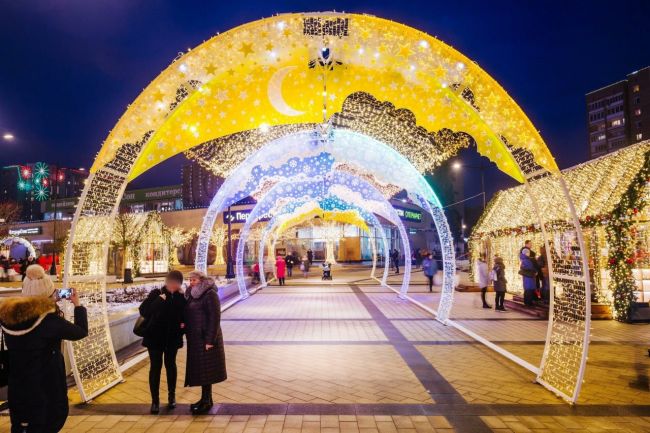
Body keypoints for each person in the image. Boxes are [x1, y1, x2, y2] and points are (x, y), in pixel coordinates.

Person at [0, 288, 87, 432]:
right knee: (47, 421)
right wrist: (77, 305)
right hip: (46, 385)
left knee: (22, 423)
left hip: (18, 385)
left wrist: (46, 301)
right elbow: (80, 331)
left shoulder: (8, 317)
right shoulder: (49, 321)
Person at [138, 270, 187, 414]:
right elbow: (144, 311)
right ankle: (155, 401)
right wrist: (159, 300)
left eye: (176, 283)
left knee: (171, 366)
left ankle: (172, 397)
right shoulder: (156, 293)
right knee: (155, 368)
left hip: (172, 339)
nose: (173, 285)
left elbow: (186, 317)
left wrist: (183, 327)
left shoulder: (181, 297)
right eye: (171, 282)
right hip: (154, 338)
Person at [184, 270, 226, 414]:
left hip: (206, 339)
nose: (191, 282)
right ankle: (204, 399)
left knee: (207, 371)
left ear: (201, 280)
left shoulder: (210, 294)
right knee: (202, 371)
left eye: (194, 280)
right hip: (195, 339)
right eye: (190, 280)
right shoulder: (190, 294)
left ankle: (207, 401)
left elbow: (215, 318)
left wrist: (210, 340)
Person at [519, 240, 537, 306]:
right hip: (529, 277)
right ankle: (528, 303)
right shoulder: (526, 260)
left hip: (528, 277)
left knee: (528, 289)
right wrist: (534, 270)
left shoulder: (525, 259)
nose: (529, 253)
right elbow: (529, 267)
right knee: (529, 290)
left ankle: (528, 302)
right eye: (528, 253)